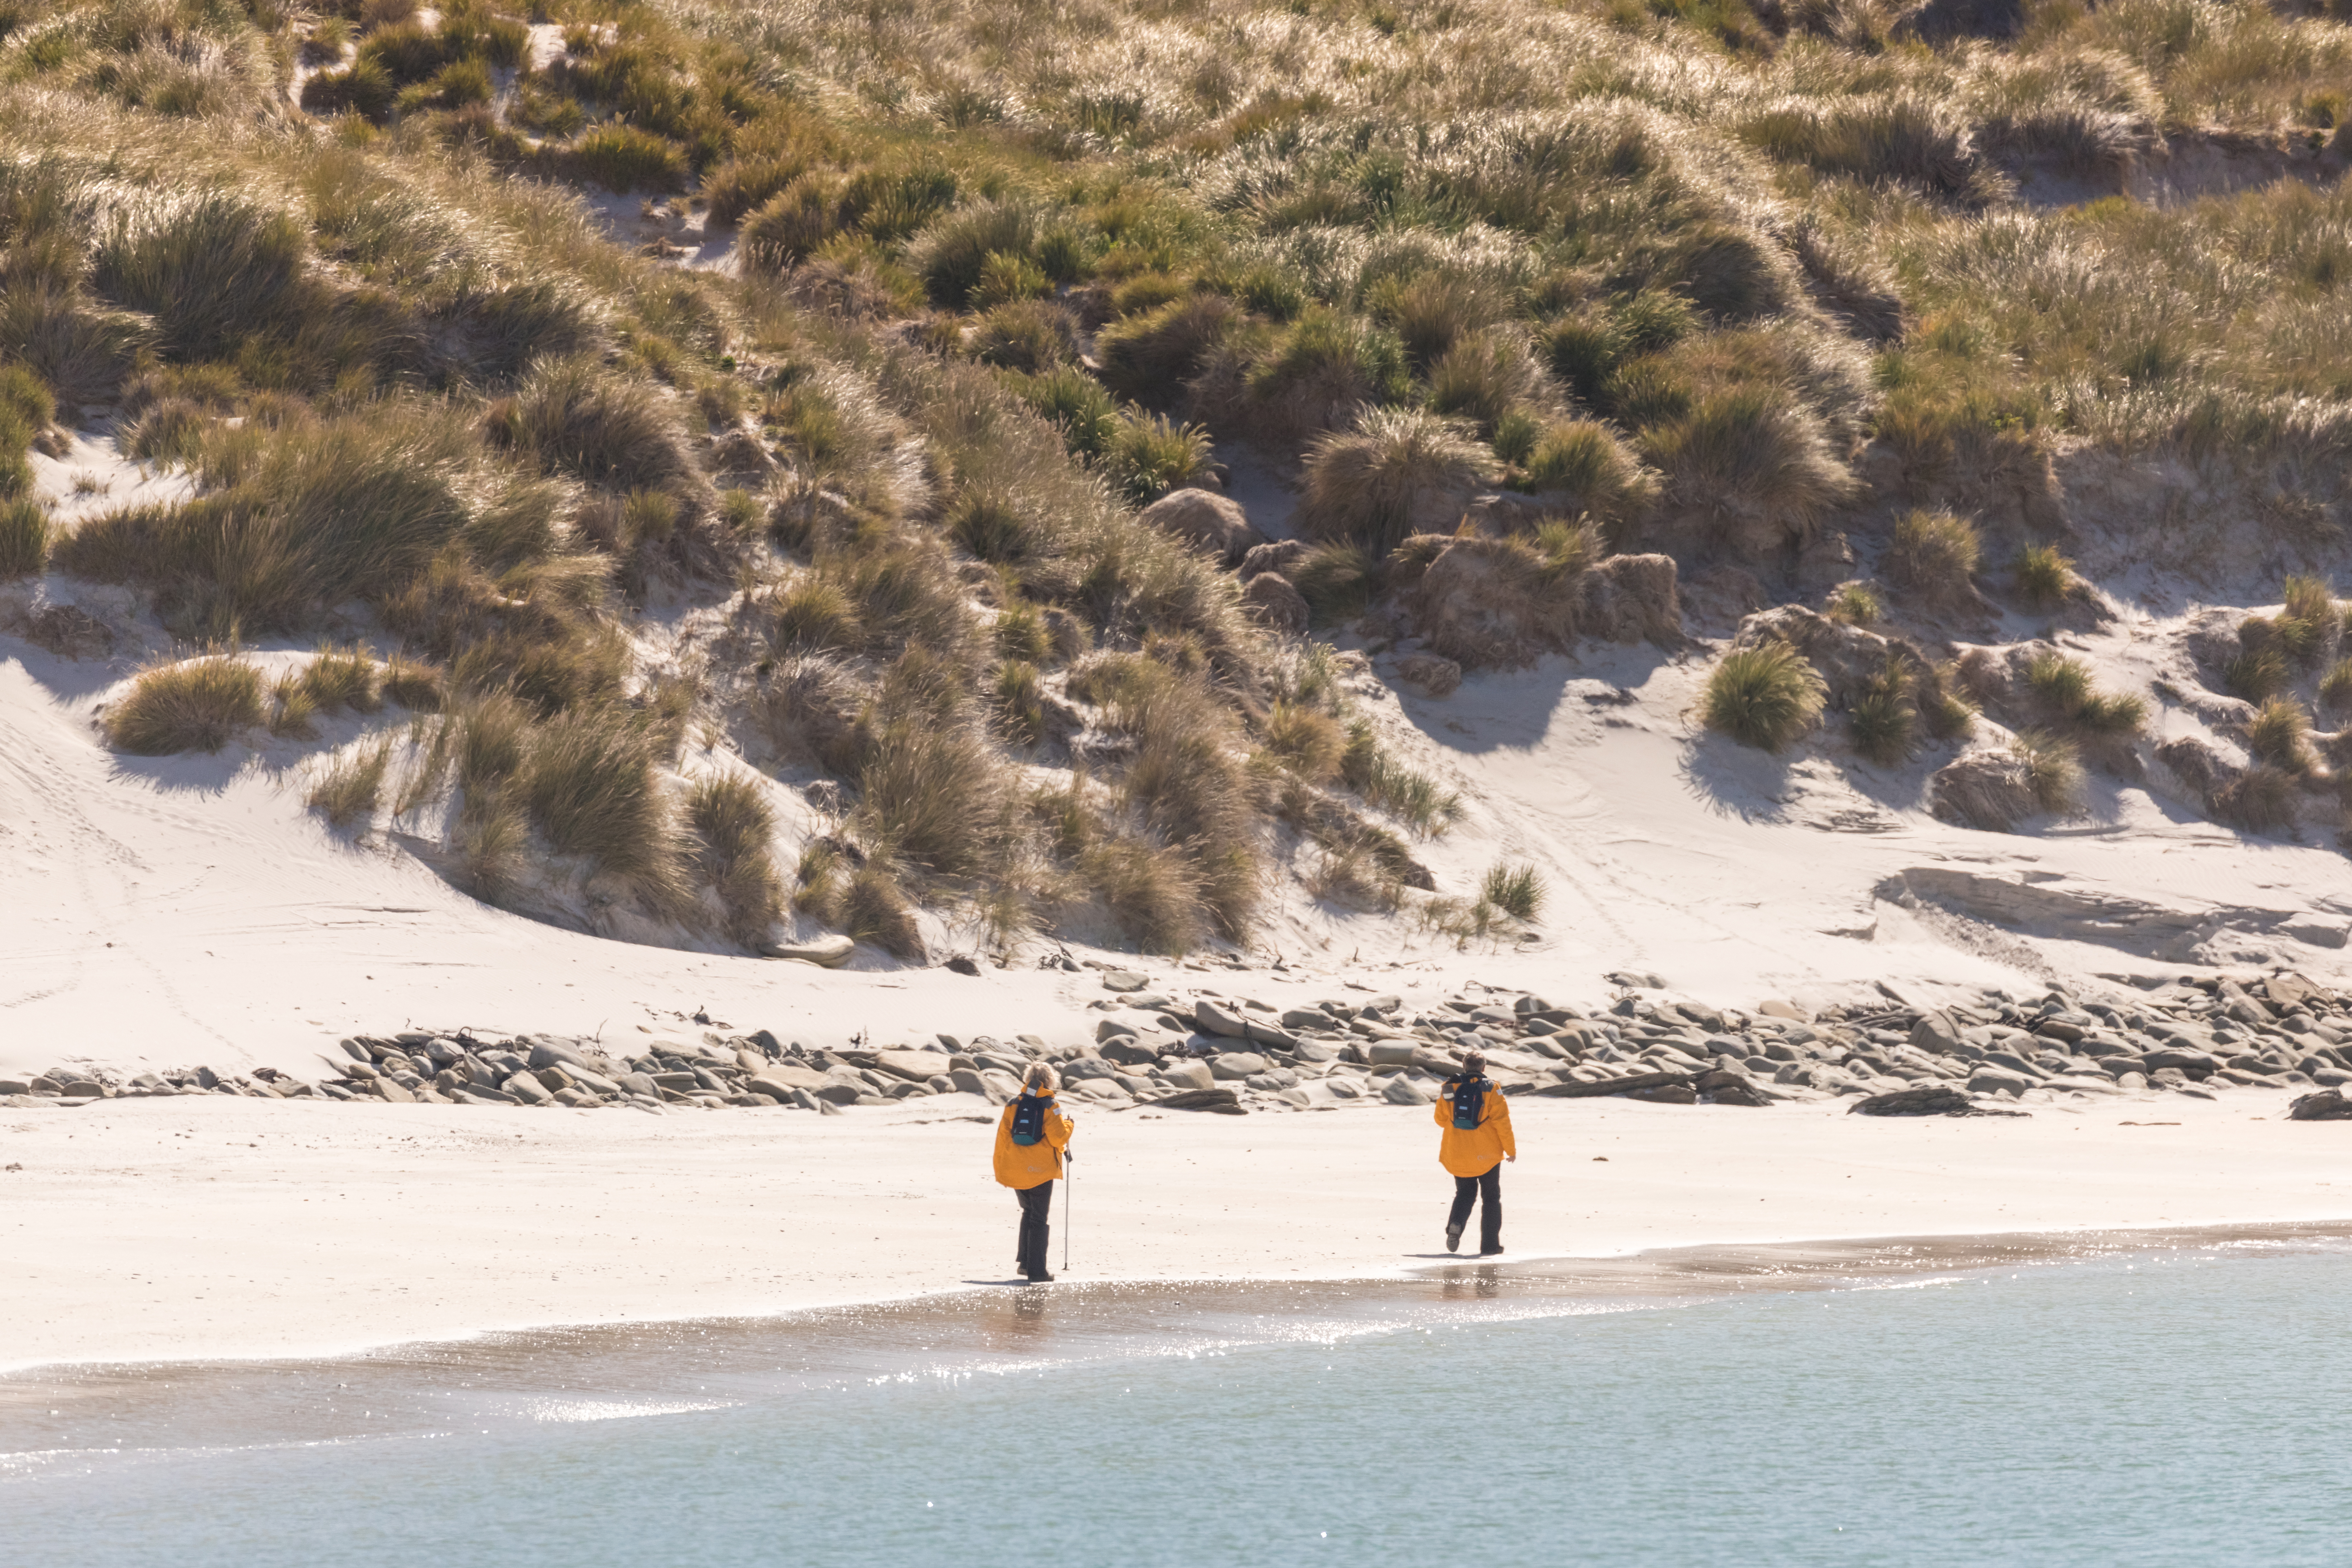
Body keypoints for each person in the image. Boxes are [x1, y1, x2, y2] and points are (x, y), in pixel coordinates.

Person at [993, 1062, 1074, 1283]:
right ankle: (1037, 1272)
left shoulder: (1012, 1104)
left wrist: (1001, 1168)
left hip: (1016, 1169)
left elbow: (1003, 1137)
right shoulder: (1051, 1105)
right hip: (1040, 1171)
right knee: (1039, 1218)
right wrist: (1070, 1126)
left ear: (1027, 1079)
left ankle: (1025, 1264)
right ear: (1049, 1081)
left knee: (1028, 1212)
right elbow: (1059, 1138)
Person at [1435, 1050, 1515, 1256]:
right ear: (1484, 1068)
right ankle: (1490, 1246)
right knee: (1491, 1198)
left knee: (1465, 1194)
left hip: (1458, 1152)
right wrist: (1510, 1150)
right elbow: (1502, 1122)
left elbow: (1441, 1120)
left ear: (1464, 1067)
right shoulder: (1491, 1088)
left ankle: (1456, 1224)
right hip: (1487, 1155)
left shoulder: (1450, 1087)